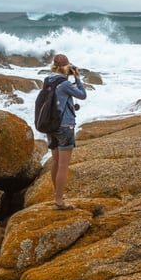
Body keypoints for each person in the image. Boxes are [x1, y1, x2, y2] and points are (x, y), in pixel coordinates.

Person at [46, 53, 87, 209]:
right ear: (66, 67)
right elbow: (82, 95)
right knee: (63, 165)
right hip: (65, 126)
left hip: (51, 126)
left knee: (56, 162)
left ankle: (58, 194)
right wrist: (77, 78)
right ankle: (59, 201)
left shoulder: (48, 80)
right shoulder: (65, 84)